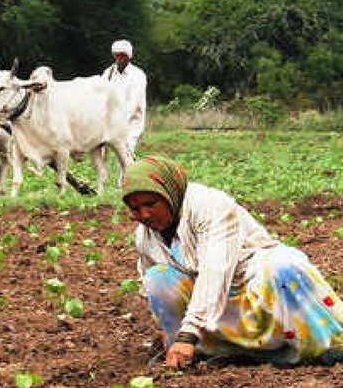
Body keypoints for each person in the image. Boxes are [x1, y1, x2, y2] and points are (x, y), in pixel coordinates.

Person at [122, 155, 343, 369]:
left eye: (150, 204)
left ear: (170, 192)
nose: (144, 215)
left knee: (283, 268)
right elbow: (149, 282)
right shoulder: (145, 236)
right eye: (135, 209)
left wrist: (188, 333)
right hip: (211, 306)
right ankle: (204, 350)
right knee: (158, 277)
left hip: (252, 284)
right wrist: (167, 327)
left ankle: (316, 348)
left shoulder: (211, 207)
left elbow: (215, 272)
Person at [102, 40, 147, 155]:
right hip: (110, 122)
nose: (120, 58)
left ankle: (128, 173)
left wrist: (119, 121)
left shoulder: (138, 75)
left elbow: (134, 103)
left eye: (123, 55)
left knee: (126, 153)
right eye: (117, 55)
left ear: (129, 57)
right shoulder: (108, 73)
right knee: (101, 153)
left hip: (131, 123)